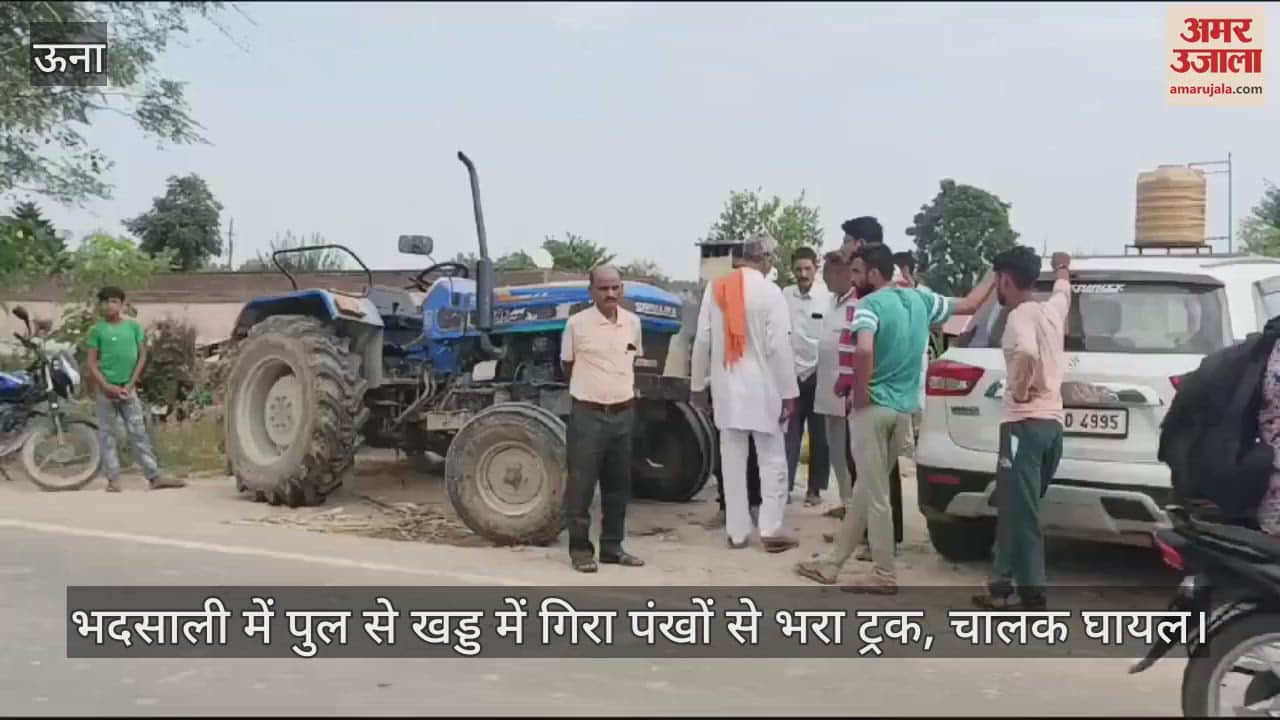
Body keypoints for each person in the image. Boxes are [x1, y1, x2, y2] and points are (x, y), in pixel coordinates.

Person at [795, 244, 994, 593]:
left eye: (857, 272)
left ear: (874, 273)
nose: (852, 279)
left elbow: (865, 348)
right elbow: (970, 304)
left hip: (872, 410)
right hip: (902, 409)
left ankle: (884, 573)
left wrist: (860, 395)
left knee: (875, 496)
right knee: (866, 489)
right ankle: (832, 563)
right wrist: (995, 270)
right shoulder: (919, 300)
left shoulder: (868, 306)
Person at [972, 247, 1071, 610]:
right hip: (1051, 427)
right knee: (1016, 505)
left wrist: (1019, 387)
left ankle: (1032, 593)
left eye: (997, 279)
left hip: (1023, 426)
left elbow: (1026, 353)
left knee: (1021, 510)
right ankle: (1000, 583)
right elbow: (1063, 293)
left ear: (1005, 280)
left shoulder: (1018, 317)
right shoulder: (1051, 312)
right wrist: (1062, 268)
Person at [692, 233, 800, 552]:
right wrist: (789, 391)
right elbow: (779, 347)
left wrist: (698, 386)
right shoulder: (771, 293)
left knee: (732, 458)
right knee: (771, 459)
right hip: (764, 388)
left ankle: (737, 532)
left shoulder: (717, 287)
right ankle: (770, 529)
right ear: (765, 258)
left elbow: (702, 340)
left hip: (726, 387)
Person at [560, 265, 645, 573]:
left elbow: (632, 360)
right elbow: (567, 365)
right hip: (588, 415)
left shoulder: (632, 323)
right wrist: (592, 391)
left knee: (618, 486)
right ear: (591, 292)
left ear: (622, 290)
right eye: (603, 289)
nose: (610, 294)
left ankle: (612, 546)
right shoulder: (576, 325)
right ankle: (581, 551)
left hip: (623, 414)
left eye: (615, 288)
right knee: (581, 486)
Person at [86, 286, 183, 493]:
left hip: (128, 390)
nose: (108, 305)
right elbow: (93, 363)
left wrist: (130, 385)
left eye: (113, 301)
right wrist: (106, 386)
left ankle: (153, 476)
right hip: (106, 391)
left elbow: (142, 356)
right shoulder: (97, 330)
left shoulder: (133, 327)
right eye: (104, 302)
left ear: (122, 304)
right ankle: (113, 479)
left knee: (138, 432)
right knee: (107, 435)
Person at [782, 246, 832, 505]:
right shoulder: (785, 295)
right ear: (792, 269)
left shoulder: (826, 297)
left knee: (820, 436)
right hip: (791, 373)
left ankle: (815, 489)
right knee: (789, 432)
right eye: (799, 269)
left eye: (807, 269)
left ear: (816, 268)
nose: (803, 274)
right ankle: (786, 486)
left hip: (819, 373)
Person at [813, 250, 857, 517]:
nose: (825, 278)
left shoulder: (857, 303)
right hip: (827, 390)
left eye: (827, 273)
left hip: (847, 393)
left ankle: (853, 506)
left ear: (841, 273)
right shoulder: (832, 301)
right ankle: (844, 500)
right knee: (835, 451)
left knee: (848, 451)